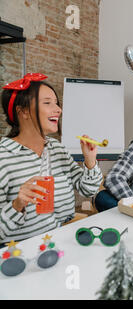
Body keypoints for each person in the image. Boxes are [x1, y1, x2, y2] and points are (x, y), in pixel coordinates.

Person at [0, 73, 102, 244]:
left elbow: (88, 190)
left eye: (57, 103)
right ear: (23, 111)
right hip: (22, 252)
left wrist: (90, 161)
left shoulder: (57, 148)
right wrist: (17, 204)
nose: (59, 110)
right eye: (47, 103)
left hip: (62, 240)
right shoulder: (3, 157)